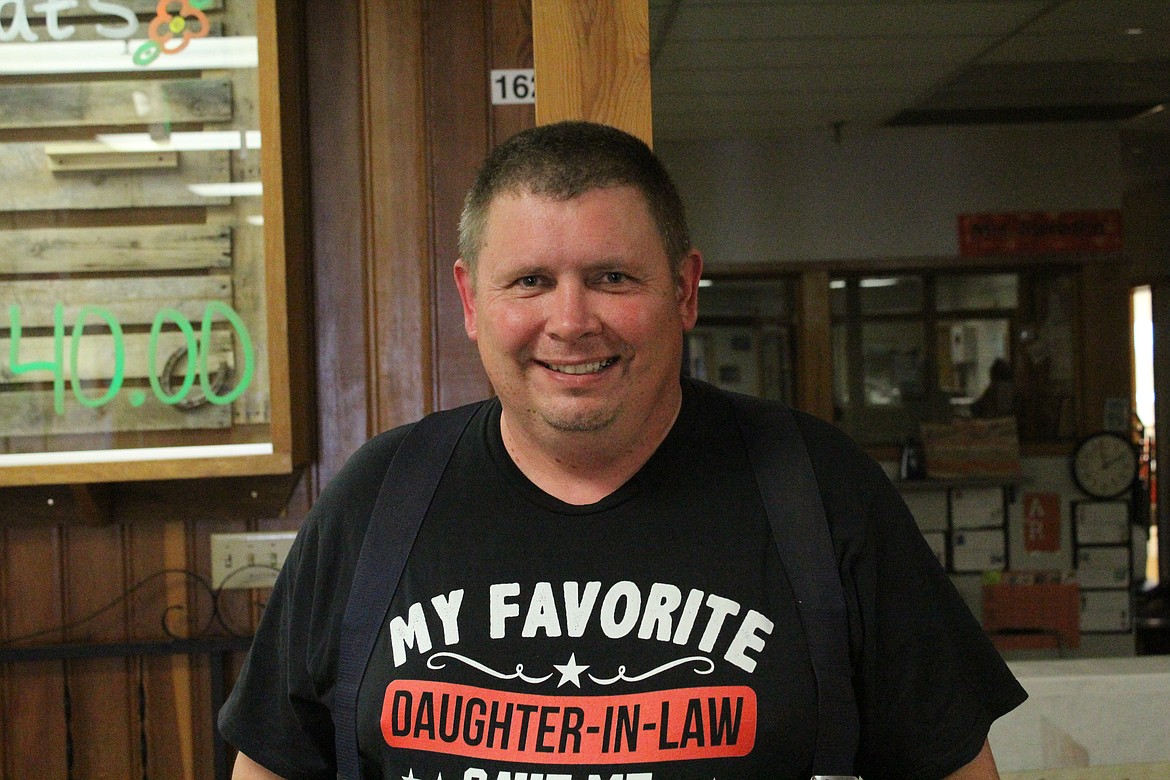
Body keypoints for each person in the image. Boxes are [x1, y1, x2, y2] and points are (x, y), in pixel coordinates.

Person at [220, 121, 1026, 779]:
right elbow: (274, 766)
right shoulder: (377, 500)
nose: (570, 322)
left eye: (611, 278)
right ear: (471, 300)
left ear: (683, 291)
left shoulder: (818, 488)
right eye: (530, 281)